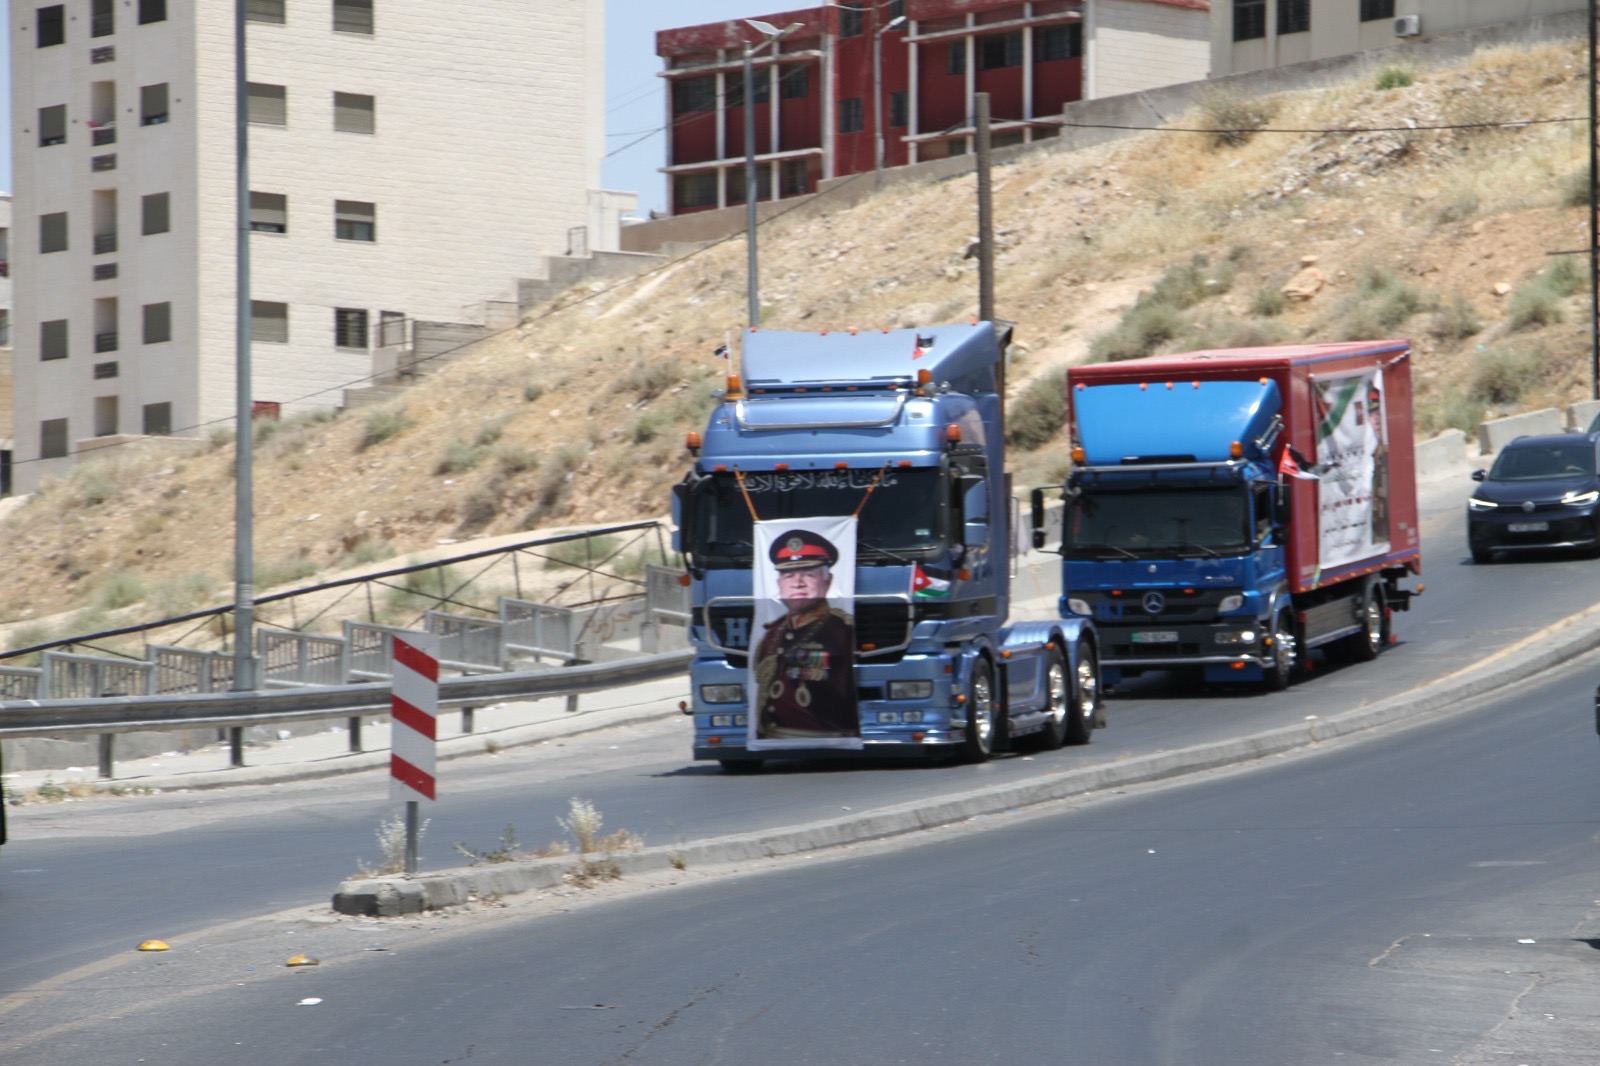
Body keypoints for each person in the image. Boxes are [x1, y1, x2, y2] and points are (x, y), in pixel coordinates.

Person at [753, 529, 859, 739]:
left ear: (827, 582)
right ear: (779, 585)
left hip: (829, 740)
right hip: (772, 740)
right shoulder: (772, 633)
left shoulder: (843, 631)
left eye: (809, 574)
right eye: (788, 575)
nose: (797, 583)